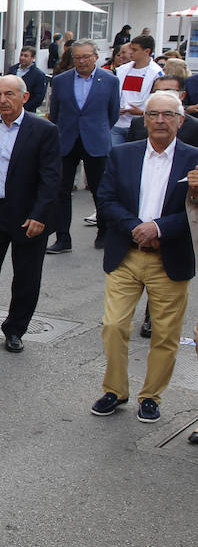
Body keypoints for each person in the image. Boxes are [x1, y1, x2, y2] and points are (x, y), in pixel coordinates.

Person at [91, 92, 198, 425]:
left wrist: (159, 228)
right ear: (145, 120)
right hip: (127, 254)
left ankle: (151, 396)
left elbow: (194, 213)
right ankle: (115, 390)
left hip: (170, 257)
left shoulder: (194, 160)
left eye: (168, 115)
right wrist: (137, 227)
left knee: (165, 334)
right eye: (153, 114)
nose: (160, 121)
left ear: (181, 120)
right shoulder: (123, 154)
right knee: (113, 325)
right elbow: (106, 199)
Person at [0, 78, 62, 355]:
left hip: (28, 216)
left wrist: (40, 215)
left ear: (24, 97)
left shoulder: (44, 130)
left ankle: (15, 329)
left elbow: (51, 179)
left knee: (26, 277)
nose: (2, 100)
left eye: (9, 94)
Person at [45, 41, 119, 255]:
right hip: (67, 140)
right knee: (61, 191)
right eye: (78, 57)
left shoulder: (110, 80)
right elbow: (55, 112)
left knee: (100, 190)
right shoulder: (60, 81)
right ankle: (62, 238)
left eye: (86, 57)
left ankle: (103, 232)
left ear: (96, 56)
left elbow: (112, 113)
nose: (82, 61)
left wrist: (97, 129)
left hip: (96, 140)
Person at [111, 34, 162, 146]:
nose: (130, 53)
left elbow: (159, 101)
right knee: (115, 157)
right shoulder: (121, 70)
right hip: (118, 124)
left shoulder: (157, 74)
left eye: (134, 50)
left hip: (142, 126)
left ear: (146, 51)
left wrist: (142, 112)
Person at [128, 76, 198, 144]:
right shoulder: (138, 124)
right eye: (158, 92)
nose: (162, 95)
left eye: (169, 91)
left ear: (182, 95)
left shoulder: (194, 127)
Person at [13, 45, 50, 113]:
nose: (22, 58)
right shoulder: (12, 70)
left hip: (27, 112)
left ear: (33, 58)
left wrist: (22, 109)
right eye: (21, 55)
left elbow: (38, 98)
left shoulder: (38, 75)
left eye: (26, 56)